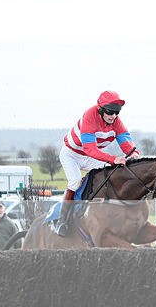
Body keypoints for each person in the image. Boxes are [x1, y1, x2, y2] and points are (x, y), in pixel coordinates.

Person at [55, 90, 140, 237]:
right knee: (75, 181)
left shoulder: (116, 122)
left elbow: (126, 143)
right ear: (100, 110)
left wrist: (134, 154)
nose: (113, 116)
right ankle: (62, 221)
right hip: (71, 155)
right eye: (110, 112)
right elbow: (89, 149)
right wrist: (114, 159)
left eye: (117, 112)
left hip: (89, 157)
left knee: (109, 177)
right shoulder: (89, 116)